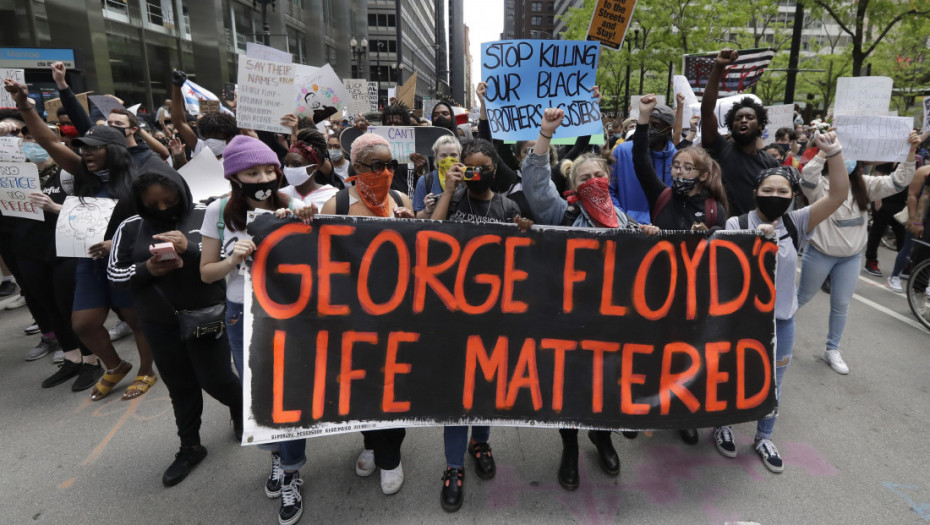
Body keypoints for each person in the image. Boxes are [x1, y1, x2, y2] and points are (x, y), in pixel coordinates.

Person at [522, 106, 659, 490]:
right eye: (586, 177)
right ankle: (569, 447)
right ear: (573, 185)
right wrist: (545, 134)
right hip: (568, 322)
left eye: (599, 174)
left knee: (606, 386)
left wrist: (648, 239)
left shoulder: (624, 219)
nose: (594, 179)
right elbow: (534, 183)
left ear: (608, 179)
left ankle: (601, 437)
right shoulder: (561, 214)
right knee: (568, 388)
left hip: (613, 325)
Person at [5, 78, 157, 401]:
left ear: (112, 151)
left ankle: (146, 371)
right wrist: (24, 104)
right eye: (83, 148)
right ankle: (115, 366)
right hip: (89, 261)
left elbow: (148, 225)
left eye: (93, 149)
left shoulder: (137, 181)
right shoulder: (82, 172)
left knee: (135, 320)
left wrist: (114, 244)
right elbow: (48, 142)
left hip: (124, 261)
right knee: (83, 324)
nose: (85, 154)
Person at [714, 131, 849, 473]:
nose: (774, 196)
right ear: (755, 192)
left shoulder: (797, 221)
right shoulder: (737, 223)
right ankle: (723, 425)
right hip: (740, 320)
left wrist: (834, 152)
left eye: (782, 191)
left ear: (792, 196)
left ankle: (763, 436)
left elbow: (838, 195)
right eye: (768, 190)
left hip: (781, 321)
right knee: (732, 374)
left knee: (773, 382)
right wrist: (752, 243)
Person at [108, 160, 242, 487]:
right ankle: (190, 446)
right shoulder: (131, 226)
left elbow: (230, 262)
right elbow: (114, 274)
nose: (163, 208)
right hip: (159, 322)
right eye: (153, 204)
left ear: (180, 190)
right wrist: (146, 270)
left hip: (207, 318)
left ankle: (240, 409)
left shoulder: (207, 214)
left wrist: (191, 249)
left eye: (170, 200)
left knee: (217, 379)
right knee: (180, 386)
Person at [198, 134, 307, 525]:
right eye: (252, 172)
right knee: (259, 395)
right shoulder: (218, 211)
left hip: (288, 315)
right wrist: (232, 261)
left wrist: (302, 218)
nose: (263, 178)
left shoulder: (289, 203)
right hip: (242, 315)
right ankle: (277, 458)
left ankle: (292, 471)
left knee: (289, 396)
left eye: (268, 170)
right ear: (235, 177)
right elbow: (207, 271)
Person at [429, 138, 531, 512]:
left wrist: (522, 230)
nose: (476, 174)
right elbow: (430, 233)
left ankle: (480, 441)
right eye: (468, 167)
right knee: (458, 394)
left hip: (494, 318)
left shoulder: (507, 206)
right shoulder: (451, 200)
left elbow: (522, 260)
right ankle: (453, 466)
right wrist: (449, 189)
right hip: (452, 316)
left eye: (482, 169)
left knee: (486, 387)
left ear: (493, 171)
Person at [320, 133, 413, 497]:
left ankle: (392, 456)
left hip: (397, 317)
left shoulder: (402, 200)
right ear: (357, 167)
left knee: (392, 387)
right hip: (352, 319)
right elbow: (319, 260)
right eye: (377, 165)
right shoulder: (337, 205)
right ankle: (371, 443)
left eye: (391, 164)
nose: (386, 172)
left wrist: (413, 225)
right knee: (361, 387)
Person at [796, 131, 920, 375]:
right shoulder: (819, 185)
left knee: (841, 305)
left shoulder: (866, 184)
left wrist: (910, 153)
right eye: (841, 152)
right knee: (801, 298)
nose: (845, 159)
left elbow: (899, 181)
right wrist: (825, 148)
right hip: (820, 254)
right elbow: (807, 176)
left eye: (848, 153)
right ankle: (770, 331)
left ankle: (832, 349)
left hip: (851, 258)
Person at [701, 49, 780, 216]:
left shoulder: (771, 164)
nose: (743, 120)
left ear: (760, 126)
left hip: (756, 233)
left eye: (749, 117)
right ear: (731, 125)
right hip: (723, 232)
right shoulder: (720, 149)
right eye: (738, 118)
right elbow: (707, 111)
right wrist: (718, 68)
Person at [610, 100, 678, 224]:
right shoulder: (622, 152)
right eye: (647, 124)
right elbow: (608, 190)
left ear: (668, 129)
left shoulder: (677, 160)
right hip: (625, 229)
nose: (649, 129)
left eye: (655, 125)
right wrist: (623, 218)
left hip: (662, 231)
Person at [170, 70, 239, 159]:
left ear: (230, 137)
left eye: (217, 136)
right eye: (208, 136)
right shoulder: (201, 148)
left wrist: (236, 107)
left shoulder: (239, 152)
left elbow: (248, 131)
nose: (211, 141)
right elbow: (179, 122)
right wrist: (176, 87)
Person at [888, 165, 930, 292]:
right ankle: (894, 277)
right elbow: (912, 195)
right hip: (919, 216)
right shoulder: (923, 171)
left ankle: (924, 281)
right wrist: (913, 219)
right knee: (909, 247)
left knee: (925, 252)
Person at [864, 163, 908, 276]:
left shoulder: (908, 159)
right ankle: (871, 261)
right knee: (877, 231)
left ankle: (904, 265)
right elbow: (879, 176)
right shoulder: (891, 158)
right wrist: (878, 200)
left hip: (899, 204)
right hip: (885, 202)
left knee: (901, 234)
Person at [281, 128, 339, 209]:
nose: (289, 169)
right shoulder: (280, 196)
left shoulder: (332, 197)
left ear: (314, 168)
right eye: (286, 164)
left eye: (296, 164)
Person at [413, 135, 461, 219]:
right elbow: (419, 218)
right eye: (443, 155)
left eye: (453, 155)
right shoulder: (425, 181)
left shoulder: (466, 179)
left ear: (460, 156)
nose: (448, 159)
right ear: (436, 157)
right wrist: (428, 209)